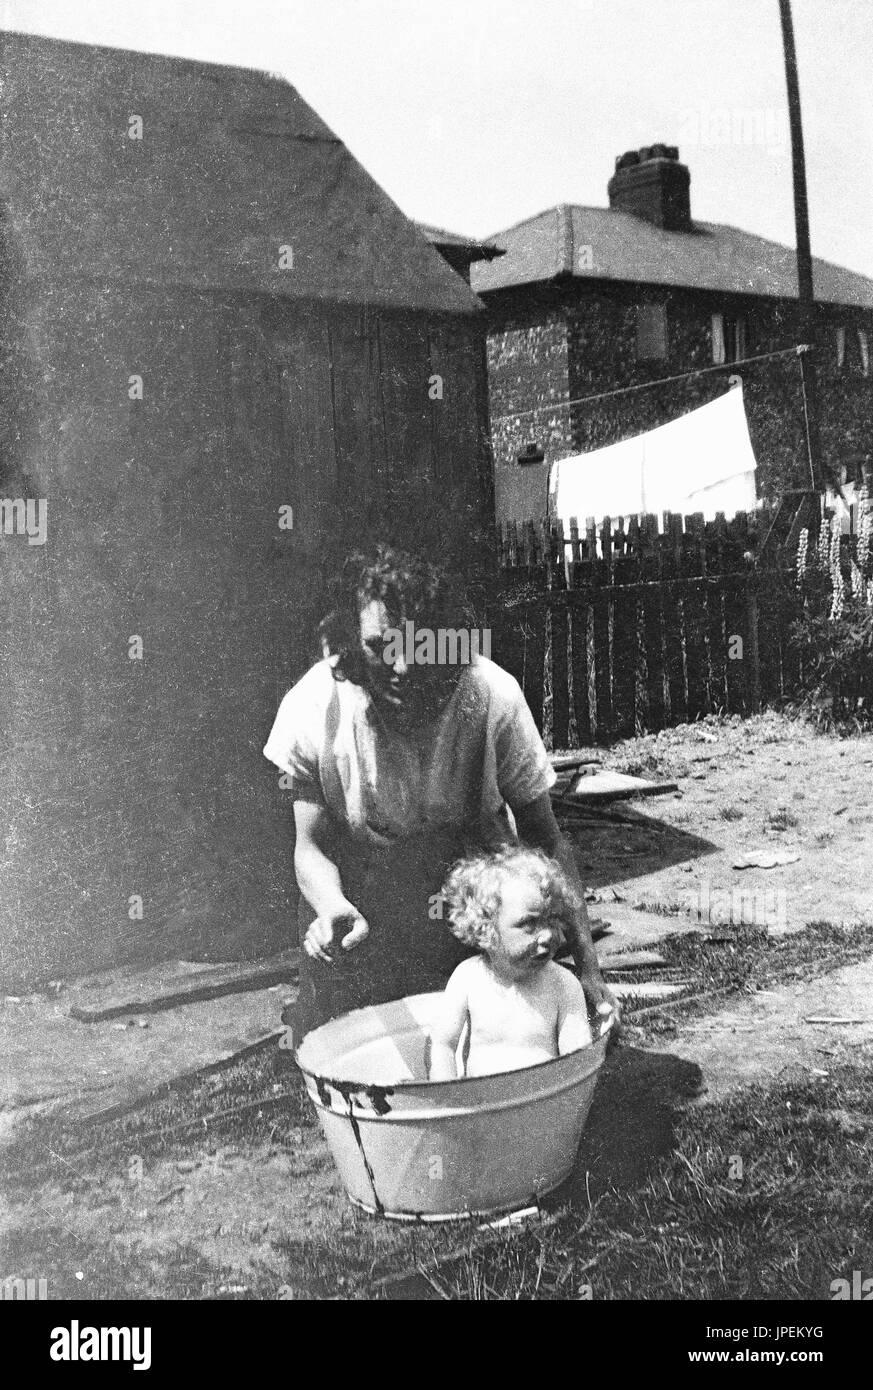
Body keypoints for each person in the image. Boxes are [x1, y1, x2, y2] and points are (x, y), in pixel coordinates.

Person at [263, 544, 616, 1042]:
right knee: (342, 1040)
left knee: (498, 1031)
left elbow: (547, 843)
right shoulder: (312, 707)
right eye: (382, 646)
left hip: (467, 884)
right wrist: (333, 907)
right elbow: (311, 846)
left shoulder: (492, 696)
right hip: (359, 889)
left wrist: (589, 974)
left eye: (419, 643)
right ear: (347, 641)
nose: (404, 665)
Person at [427, 847, 596, 1080]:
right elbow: (442, 1045)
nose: (547, 935)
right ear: (486, 928)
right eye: (529, 923)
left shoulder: (563, 985)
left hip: (543, 1102)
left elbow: (576, 1058)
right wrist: (446, 1098)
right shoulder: (467, 978)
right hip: (477, 1107)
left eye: (553, 920)